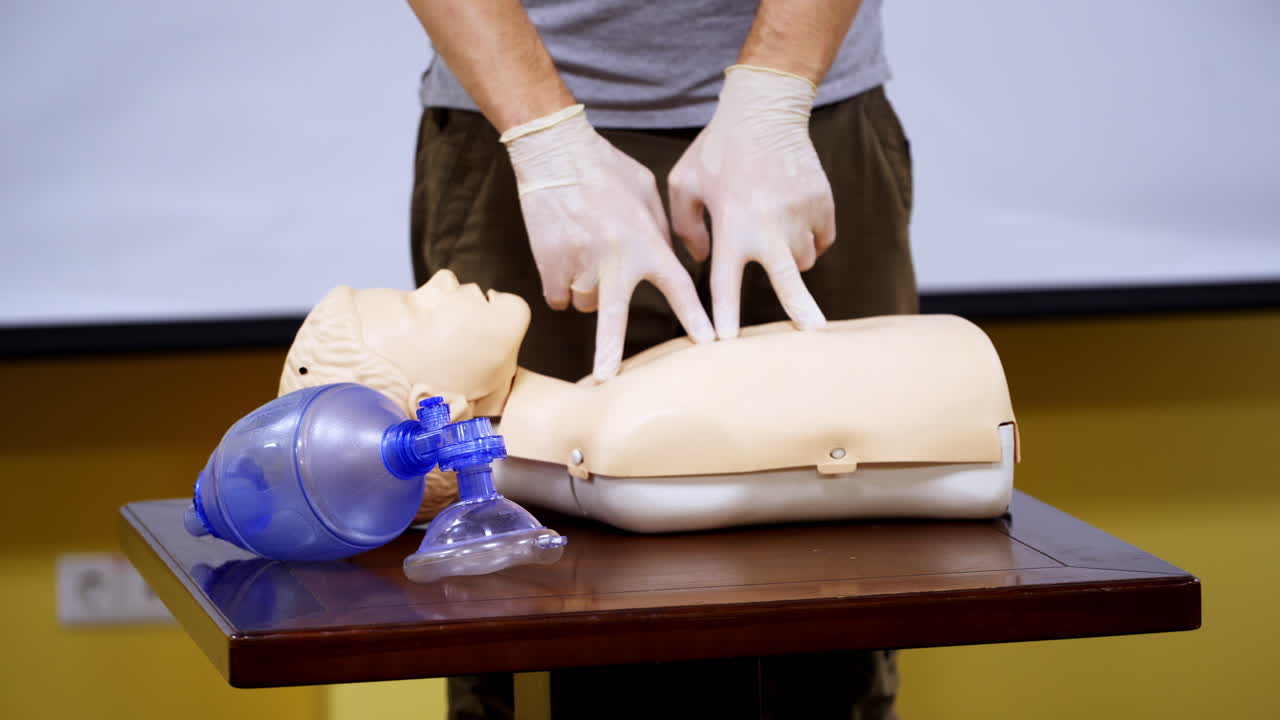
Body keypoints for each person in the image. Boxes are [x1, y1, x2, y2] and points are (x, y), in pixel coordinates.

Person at [402, 1, 914, 716]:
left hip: (809, 104)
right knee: (523, 601)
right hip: (514, 124)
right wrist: (546, 140)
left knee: (842, 593)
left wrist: (774, 92)